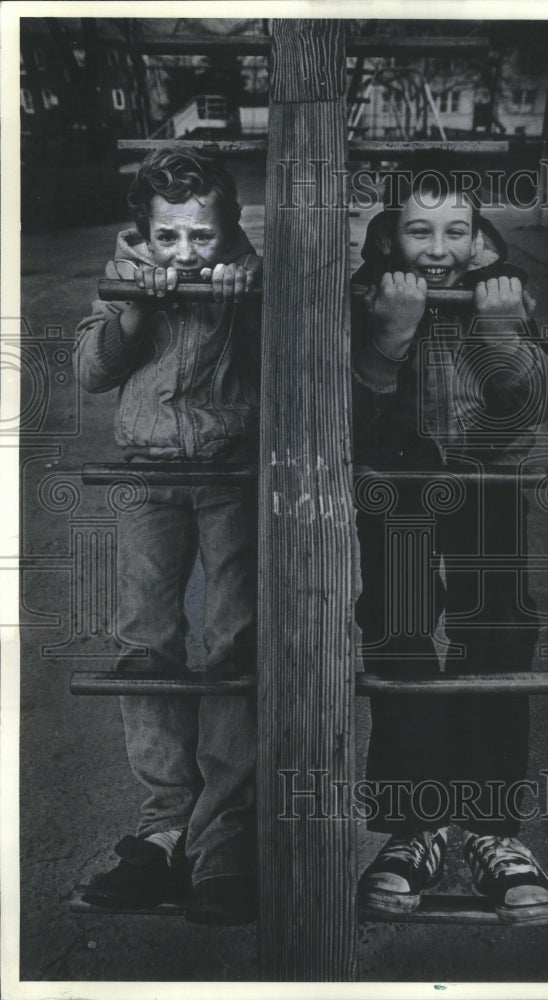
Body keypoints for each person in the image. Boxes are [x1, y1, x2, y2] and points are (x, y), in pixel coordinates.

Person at [352, 164, 548, 925]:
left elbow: (537, 401)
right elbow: (344, 412)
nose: (438, 248)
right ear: (390, 233)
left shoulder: (500, 290)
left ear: (477, 234)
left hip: (489, 482)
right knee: (398, 628)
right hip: (398, 481)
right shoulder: (369, 292)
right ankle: (417, 826)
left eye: (454, 230)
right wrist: (388, 338)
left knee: (499, 630)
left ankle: (489, 828)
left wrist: (503, 334)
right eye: (419, 229)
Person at [74, 148, 261, 926]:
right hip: (147, 478)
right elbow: (91, 370)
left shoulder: (247, 280)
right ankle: (163, 827)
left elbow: (287, 358)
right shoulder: (123, 280)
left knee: (231, 642)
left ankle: (223, 837)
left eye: (203, 238)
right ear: (141, 236)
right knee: (145, 639)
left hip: (233, 478)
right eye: (168, 239)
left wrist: (246, 290)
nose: (185, 255)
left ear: (230, 231)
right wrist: (133, 305)